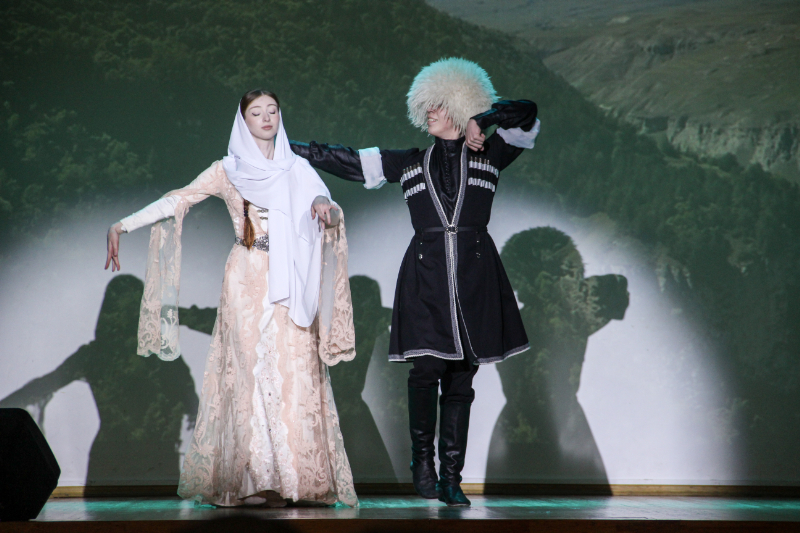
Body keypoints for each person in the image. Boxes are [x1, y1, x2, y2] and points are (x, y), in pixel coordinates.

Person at [290, 58, 541, 506]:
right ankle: (422, 461)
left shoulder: (492, 153)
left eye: (438, 105)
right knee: (426, 369)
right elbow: (348, 160)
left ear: (459, 105)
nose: (429, 113)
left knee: (462, 377)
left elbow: (528, 113)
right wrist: (289, 148)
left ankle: (451, 477)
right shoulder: (408, 162)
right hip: (425, 278)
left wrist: (484, 119)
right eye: (425, 105)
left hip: (475, 277)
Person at [104, 89, 358, 508]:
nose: (267, 117)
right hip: (246, 275)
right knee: (248, 372)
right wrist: (123, 225)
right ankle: (251, 478)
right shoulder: (227, 170)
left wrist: (323, 207)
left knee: (292, 372)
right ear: (243, 121)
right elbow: (179, 199)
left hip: (291, 278)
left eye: (272, 111)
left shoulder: (296, 167)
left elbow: (319, 197)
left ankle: (290, 479)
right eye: (256, 112)